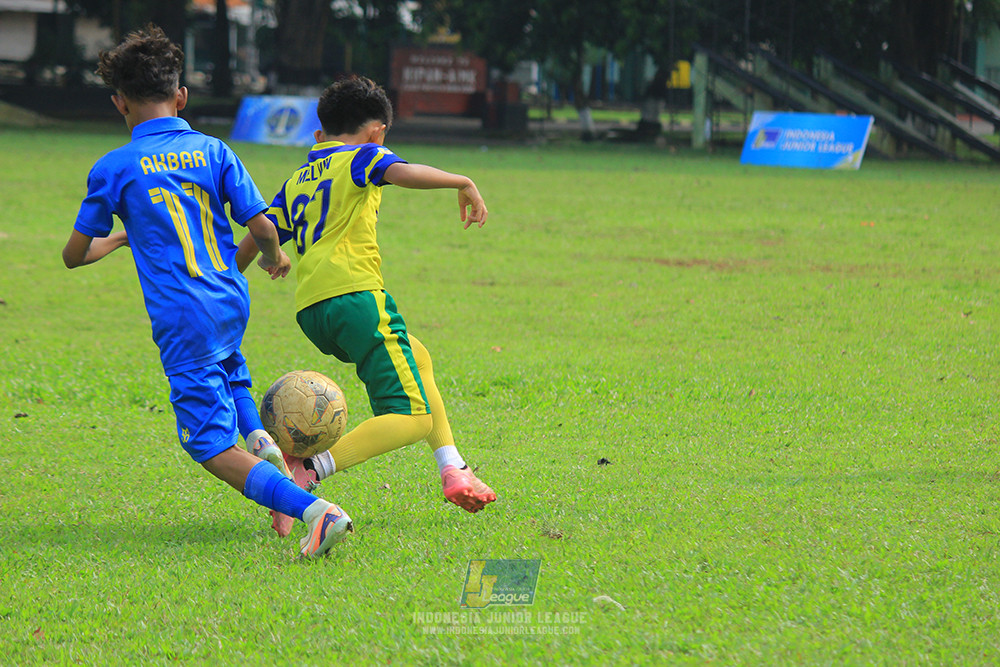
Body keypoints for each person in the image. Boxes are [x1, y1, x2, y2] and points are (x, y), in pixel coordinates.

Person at [61, 24, 352, 558]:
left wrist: (120, 237)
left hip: (181, 315)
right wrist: (274, 256)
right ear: (182, 96)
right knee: (231, 371)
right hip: (226, 298)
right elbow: (263, 226)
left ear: (118, 101)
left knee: (207, 444)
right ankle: (267, 449)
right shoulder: (214, 150)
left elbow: (75, 253)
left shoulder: (113, 168)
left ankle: (316, 511)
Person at [237, 76, 497, 535]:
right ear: (378, 132)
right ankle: (308, 472)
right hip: (357, 297)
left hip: (313, 311)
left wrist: (244, 270)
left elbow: (261, 235)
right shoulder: (364, 155)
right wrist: (463, 180)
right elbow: (405, 172)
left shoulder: (299, 178)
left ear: (319, 135)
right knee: (412, 417)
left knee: (417, 356)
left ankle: (453, 468)